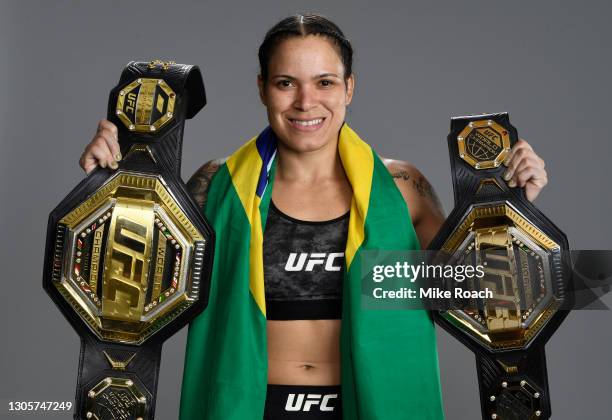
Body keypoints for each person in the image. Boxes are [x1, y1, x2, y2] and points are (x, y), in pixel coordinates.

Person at [79, 13, 548, 420]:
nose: (306, 101)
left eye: (324, 82)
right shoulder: (219, 185)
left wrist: (513, 212)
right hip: (247, 408)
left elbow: (481, 301)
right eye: (287, 83)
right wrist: (112, 193)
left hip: (373, 407)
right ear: (263, 88)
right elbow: (127, 297)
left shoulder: (402, 189)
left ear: (349, 88)